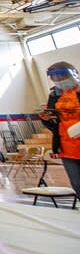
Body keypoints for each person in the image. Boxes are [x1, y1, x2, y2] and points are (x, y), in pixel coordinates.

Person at [39, 61, 80, 198]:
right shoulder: (54, 95)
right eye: (54, 79)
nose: (58, 81)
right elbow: (53, 124)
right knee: (76, 182)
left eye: (61, 78)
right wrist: (47, 119)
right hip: (66, 145)